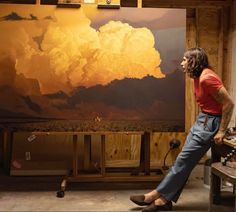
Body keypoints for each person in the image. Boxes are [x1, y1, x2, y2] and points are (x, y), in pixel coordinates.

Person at [130, 47, 234, 212]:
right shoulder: (197, 76)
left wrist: (221, 131)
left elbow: (228, 103)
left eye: (185, 60)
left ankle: (153, 196)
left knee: (182, 161)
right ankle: (164, 201)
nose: (182, 63)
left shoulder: (207, 78)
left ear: (194, 61)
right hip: (202, 119)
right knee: (185, 163)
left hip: (210, 123)